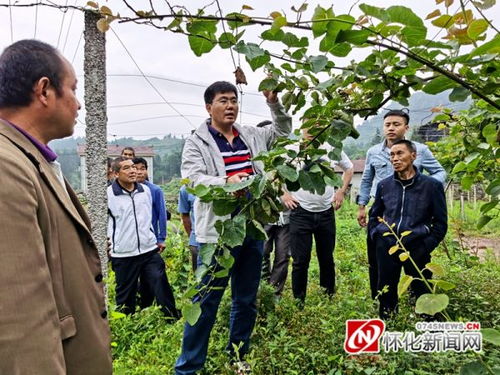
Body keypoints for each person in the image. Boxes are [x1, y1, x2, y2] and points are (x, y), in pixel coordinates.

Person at [0, 39, 111, 374]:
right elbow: (21, 319)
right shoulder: (6, 167)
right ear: (44, 91)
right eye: (73, 89)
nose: (79, 104)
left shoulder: (30, 158)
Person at [175, 81, 292, 375]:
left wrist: (274, 103)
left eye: (234, 100)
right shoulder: (197, 142)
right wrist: (226, 183)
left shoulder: (251, 134)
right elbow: (193, 179)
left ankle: (237, 355)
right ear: (208, 107)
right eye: (223, 101)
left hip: (251, 229)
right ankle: (189, 367)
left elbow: (283, 131)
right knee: (205, 303)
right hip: (217, 235)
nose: (230, 106)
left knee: (246, 299)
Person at [356, 109, 446, 300]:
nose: (391, 128)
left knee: (417, 264)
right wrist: (362, 206)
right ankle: (380, 297)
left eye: (396, 124)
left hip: (414, 213)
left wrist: (425, 190)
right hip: (384, 212)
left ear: (406, 128)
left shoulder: (420, 150)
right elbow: (365, 180)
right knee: (379, 262)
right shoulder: (373, 152)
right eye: (387, 124)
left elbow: (439, 172)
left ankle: (419, 301)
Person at [368, 140, 447, 319]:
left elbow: (441, 223)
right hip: (387, 246)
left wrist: (425, 246)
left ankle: (430, 327)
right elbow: (375, 215)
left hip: (417, 246)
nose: (395, 159)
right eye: (392, 155)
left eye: (400, 154)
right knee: (386, 289)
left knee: (423, 289)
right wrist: (378, 236)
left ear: (413, 156)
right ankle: (388, 324)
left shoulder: (431, 186)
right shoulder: (384, 185)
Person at [282, 125, 354, 304]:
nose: (314, 129)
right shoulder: (292, 150)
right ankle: (299, 300)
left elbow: (349, 168)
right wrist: (284, 194)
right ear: (303, 127)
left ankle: (328, 295)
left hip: (326, 213)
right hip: (300, 212)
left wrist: (341, 191)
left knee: (326, 257)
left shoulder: (331, 148)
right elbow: (275, 173)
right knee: (300, 260)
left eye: (319, 126)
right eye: (310, 125)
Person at [107, 157, 178, 319]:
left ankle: (171, 318)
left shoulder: (145, 191)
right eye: (126, 168)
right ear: (116, 173)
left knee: (160, 284)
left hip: (148, 250)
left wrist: (157, 238)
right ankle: (125, 324)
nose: (133, 171)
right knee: (125, 296)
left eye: (134, 167)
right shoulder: (108, 195)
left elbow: (151, 217)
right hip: (124, 254)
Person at [133, 156, 168, 308]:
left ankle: (154, 304)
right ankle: (140, 303)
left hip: (151, 240)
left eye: (143, 169)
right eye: (136, 168)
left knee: (153, 274)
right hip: (131, 242)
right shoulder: (123, 190)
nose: (140, 172)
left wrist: (161, 238)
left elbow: (161, 215)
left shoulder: (155, 190)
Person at [261, 211, 291, 296]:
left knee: (282, 256)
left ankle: (275, 293)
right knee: (262, 253)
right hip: (264, 217)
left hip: (286, 219)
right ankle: (263, 288)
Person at [178, 185, 200, 271]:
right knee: (198, 274)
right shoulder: (185, 189)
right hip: (196, 239)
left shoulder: (218, 183)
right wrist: (191, 235)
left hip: (217, 239)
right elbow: (185, 215)